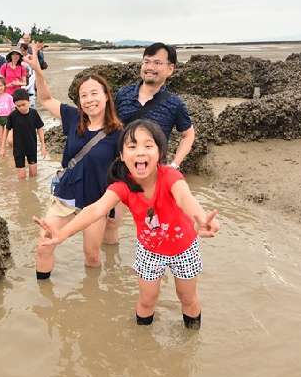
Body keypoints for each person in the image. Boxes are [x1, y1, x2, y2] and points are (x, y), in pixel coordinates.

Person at [36, 119, 220, 329]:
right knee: (146, 300)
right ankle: (142, 345)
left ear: (160, 153)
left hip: (185, 247)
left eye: (148, 146)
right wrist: (63, 233)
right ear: (122, 156)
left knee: (187, 298)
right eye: (132, 147)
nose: (140, 152)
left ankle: (191, 342)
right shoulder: (122, 187)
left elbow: (185, 198)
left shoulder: (170, 176)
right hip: (149, 250)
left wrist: (201, 217)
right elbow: (95, 209)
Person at [25, 42, 123, 277]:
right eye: (83, 95)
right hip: (65, 198)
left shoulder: (119, 133)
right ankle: (45, 301)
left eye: (94, 93)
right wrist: (38, 71)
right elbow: (46, 99)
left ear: (106, 96)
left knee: (92, 257)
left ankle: (92, 300)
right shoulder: (72, 117)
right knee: (44, 244)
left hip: (95, 203)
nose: (89, 99)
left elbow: (128, 171)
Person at [106, 42, 196, 244]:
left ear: (170, 69)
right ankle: (110, 268)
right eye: (146, 61)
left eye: (157, 62)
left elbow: (188, 135)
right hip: (121, 169)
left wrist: (174, 165)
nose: (150, 67)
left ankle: (155, 264)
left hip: (155, 176)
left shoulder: (174, 104)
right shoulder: (123, 95)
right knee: (111, 222)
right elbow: (107, 126)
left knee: (157, 225)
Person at [0, 88, 47, 180]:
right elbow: (6, 130)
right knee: (21, 177)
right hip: (18, 150)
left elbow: (40, 128)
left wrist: (43, 145)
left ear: (29, 101)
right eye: (18, 106)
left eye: (23, 104)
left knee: (33, 175)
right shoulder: (12, 116)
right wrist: (2, 147)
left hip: (31, 147)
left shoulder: (34, 113)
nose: (21, 107)